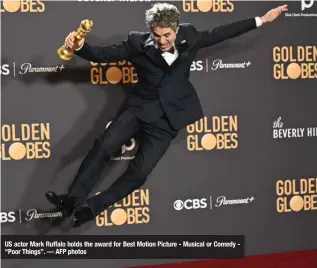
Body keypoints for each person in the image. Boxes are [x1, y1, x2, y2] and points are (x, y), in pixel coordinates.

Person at [45, 3, 288, 228]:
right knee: (103, 147)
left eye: (167, 35)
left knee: (139, 173)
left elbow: (221, 33)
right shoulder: (136, 43)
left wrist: (261, 20)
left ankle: (91, 208)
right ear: (150, 30)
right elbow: (103, 55)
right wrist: (79, 47)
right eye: (157, 35)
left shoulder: (190, 35)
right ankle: (72, 199)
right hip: (139, 109)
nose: (162, 41)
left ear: (175, 29)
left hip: (168, 119)